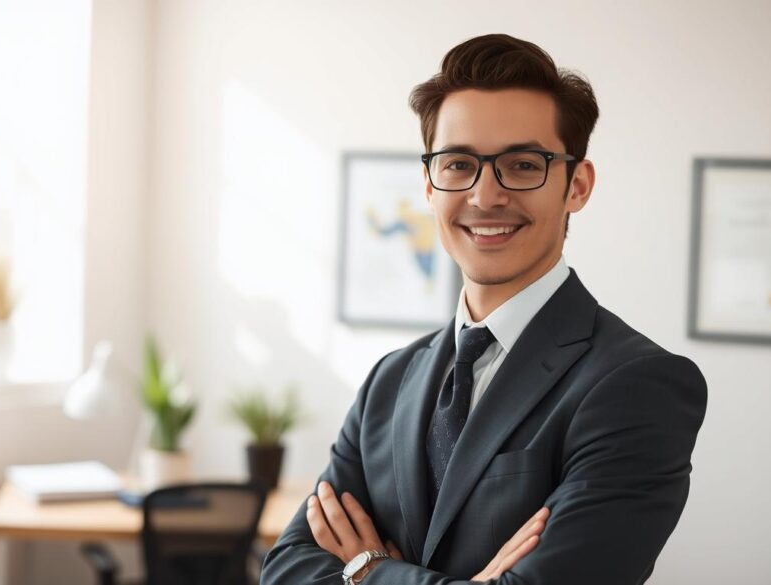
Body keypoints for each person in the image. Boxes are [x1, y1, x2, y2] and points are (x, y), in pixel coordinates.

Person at [261, 33, 708, 585]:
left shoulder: (637, 384)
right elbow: (285, 570)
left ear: (578, 186)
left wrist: (367, 569)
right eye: (458, 164)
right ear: (429, 184)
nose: (486, 195)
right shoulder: (390, 380)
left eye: (523, 165)